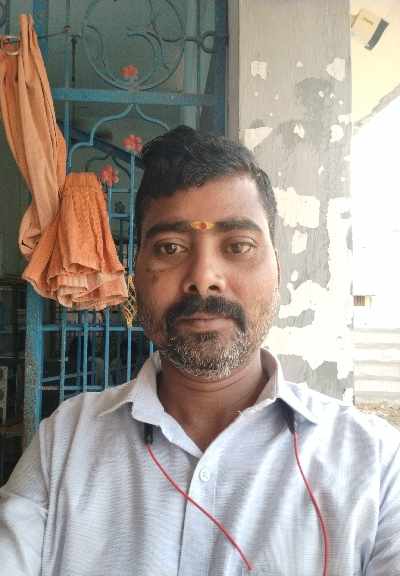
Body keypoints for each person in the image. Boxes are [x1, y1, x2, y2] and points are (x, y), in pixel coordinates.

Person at [1, 126, 399, 576]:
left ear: (278, 269)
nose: (203, 277)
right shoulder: (65, 443)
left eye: (238, 246)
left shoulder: (374, 464)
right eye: (170, 247)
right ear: (134, 274)